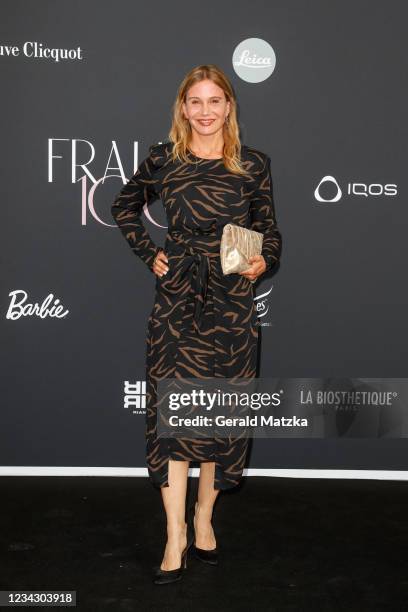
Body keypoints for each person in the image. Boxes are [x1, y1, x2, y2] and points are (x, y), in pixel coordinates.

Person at [111, 64, 282, 584]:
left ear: (229, 107)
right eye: (195, 102)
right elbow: (124, 206)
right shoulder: (165, 160)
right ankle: (174, 534)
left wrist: (261, 262)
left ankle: (204, 519)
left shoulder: (253, 164)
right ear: (182, 108)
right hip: (179, 297)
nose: (205, 111)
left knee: (218, 414)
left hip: (231, 298)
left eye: (214, 101)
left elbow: (269, 231)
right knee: (173, 413)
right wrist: (150, 253)